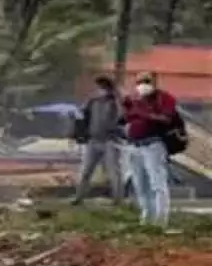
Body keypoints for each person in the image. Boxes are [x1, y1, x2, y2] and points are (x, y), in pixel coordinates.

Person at [120, 71, 179, 225]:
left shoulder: (164, 98)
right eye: (139, 82)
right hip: (134, 145)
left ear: (154, 82)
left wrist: (143, 112)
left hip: (154, 145)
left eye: (146, 81)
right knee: (140, 184)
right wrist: (126, 107)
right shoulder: (132, 100)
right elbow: (124, 119)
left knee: (157, 183)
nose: (142, 85)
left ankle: (160, 221)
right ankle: (147, 218)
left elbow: (166, 119)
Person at [71, 76, 124, 205]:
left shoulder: (114, 101)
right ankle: (79, 197)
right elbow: (82, 115)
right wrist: (80, 132)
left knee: (113, 172)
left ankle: (117, 199)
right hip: (93, 140)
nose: (100, 90)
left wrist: (116, 97)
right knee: (86, 171)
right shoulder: (93, 101)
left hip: (110, 141)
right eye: (99, 87)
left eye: (103, 87)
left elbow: (122, 115)